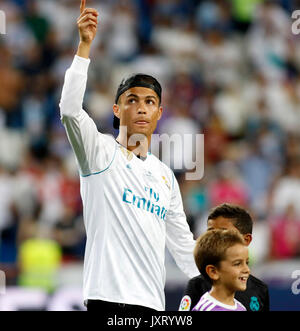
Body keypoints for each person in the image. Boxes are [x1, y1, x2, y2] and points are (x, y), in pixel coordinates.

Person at [59, 0, 198, 312]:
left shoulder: (165, 176)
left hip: (151, 305)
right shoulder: (99, 152)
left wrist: (217, 286)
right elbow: (69, 111)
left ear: (159, 113)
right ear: (116, 109)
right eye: (131, 99)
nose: (141, 107)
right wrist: (84, 46)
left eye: (150, 101)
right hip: (106, 300)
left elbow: (184, 248)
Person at [179, 203, 270, 311]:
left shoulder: (259, 290)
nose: (214, 239)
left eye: (224, 234)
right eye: (211, 233)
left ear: (246, 240)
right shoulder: (198, 285)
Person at [192, 229, 249, 311]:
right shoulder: (207, 309)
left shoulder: (241, 308)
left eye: (247, 262)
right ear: (213, 272)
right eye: (237, 264)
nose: (247, 269)